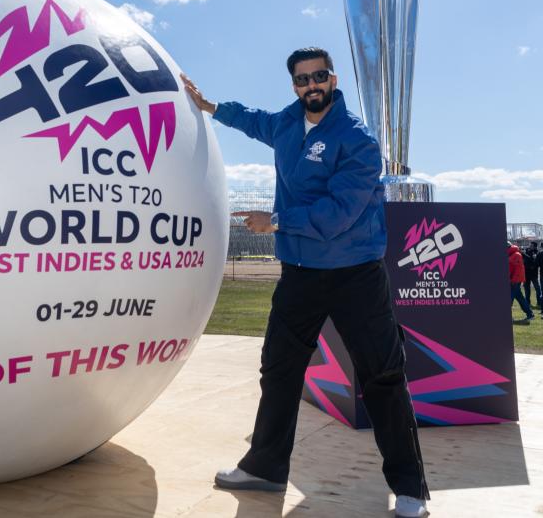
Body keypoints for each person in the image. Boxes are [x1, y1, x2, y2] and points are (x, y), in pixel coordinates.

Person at [181, 47, 429, 518]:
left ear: (333, 79)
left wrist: (274, 221)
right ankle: (267, 469)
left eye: (319, 76)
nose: (311, 85)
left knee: (381, 375)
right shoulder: (287, 122)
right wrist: (211, 107)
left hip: (354, 271)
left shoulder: (357, 138)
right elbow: (255, 120)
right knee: (278, 369)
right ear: (294, 85)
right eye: (301, 79)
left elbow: (338, 215)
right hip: (301, 272)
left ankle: (410, 487)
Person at [508, 243, 534, 320]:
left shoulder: (516, 255)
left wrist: (513, 280)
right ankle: (530, 314)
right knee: (520, 298)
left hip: (514, 281)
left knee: (510, 298)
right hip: (514, 280)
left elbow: (518, 270)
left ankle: (508, 316)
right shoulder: (513, 254)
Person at [522, 242, 541, 308]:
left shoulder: (537, 252)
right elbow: (524, 259)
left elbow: (535, 261)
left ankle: (539, 302)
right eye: (530, 245)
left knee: (537, 289)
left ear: (535, 247)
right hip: (526, 273)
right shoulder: (526, 251)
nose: (530, 246)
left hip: (533, 274)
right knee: (527, 289)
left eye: (531, 245)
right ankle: (527, 302)